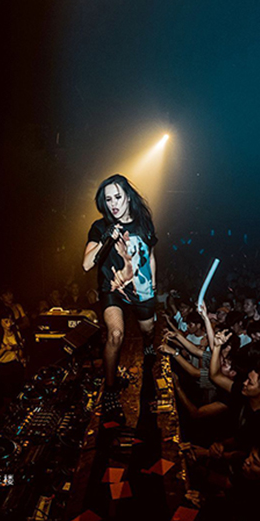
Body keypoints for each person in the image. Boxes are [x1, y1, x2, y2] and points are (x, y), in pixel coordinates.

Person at [82, 174, 159, 408]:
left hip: (141, 289)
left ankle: (148, 346)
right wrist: (106, 239)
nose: (113, 204)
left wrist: (153, 283)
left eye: (117, 197)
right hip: (112, 289)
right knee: (115, 335)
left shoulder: (143, 222)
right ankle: (110, 388)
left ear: (128, 197)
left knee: (148, 331)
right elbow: (86, 264)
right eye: (108, 199)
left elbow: (151, 255)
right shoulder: (100, 227)